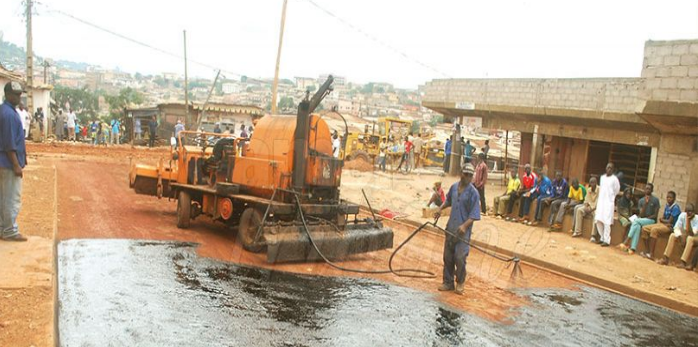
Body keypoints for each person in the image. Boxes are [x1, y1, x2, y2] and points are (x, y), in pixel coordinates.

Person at [434, 163, 480, 295]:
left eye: (470, 176)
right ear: (461, 174)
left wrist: (465, 226)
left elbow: (475, 214)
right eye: (466, 175)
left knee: (460, 257)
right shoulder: (454, 188)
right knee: (448, 256)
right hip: (451, 227)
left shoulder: (474, 193)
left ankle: (460, 282)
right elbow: (448, 200)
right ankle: (448, 282)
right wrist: (440, 209)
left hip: (462, 231)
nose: (468, 177)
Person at [0, 81, 28, 241]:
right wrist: (17, 164)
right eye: (16, 94)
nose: (19, 97)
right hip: (8, 163)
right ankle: (10, 231)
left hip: (4, 162)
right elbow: (9, 143)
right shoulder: (9, 115)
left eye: (20, 94)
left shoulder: (5, 110)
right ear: (8, 94)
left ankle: (3, 228)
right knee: (11, 197)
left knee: (3, 197)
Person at [618, 183, 660, 252]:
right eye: (646, 188)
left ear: (652, 190)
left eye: (649, 189)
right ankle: (633, 248)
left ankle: (627, 240)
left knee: (636, 221)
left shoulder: (655, 200)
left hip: (651, 220)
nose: (647, 190)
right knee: (637, 225)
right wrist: (645, 204)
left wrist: (647, 218)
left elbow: (655, 215)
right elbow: (641, 214)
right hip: (642, 220)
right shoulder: (641, 201)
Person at [640, 191, 681, 260]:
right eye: (667, 197)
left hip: (670, 227)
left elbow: (669, 221)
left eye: (670, 197)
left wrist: (663, 220)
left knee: (654, 230)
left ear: (674, 199)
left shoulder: (675, 208)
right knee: (644, 228)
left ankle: (651, 254)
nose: (669, 199)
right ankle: (647, 250)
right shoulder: (667, 206)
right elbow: (663, 219)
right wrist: (663, 220)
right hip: (664, 224)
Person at [657, 203, 697, 268]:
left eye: (691, 212)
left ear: (693, 212)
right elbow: (676, 227)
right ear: (685, 212)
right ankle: (666, 258)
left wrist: (689, 220)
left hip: (694, 236)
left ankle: (683, 262)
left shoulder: (696, 219)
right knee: (673, 235)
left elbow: (694, 232)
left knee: (690, 238)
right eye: (688, 212)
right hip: (685, 234)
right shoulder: (682, 216)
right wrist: (679, 236)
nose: (689, 213)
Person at [593, 163, 621, 247]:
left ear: (613, 170)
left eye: (611, 168)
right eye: (607, 167)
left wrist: (611, 197)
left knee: (607, 222)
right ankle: (602, 238)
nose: (609, 169)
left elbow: (617, 190)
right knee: (598, 220)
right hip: (601, 202)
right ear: (605, 168)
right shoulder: (602, 178)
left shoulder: (615, 179)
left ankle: (607, 240)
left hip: (609, 203)